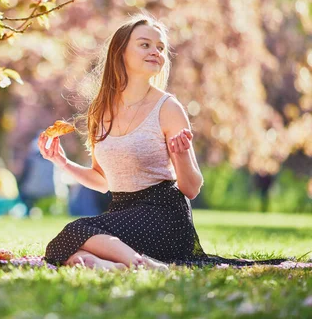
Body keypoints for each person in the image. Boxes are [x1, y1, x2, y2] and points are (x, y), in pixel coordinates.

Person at [40, 14, 285, 271]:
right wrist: (62, 162)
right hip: (123, 213)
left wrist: (180, 155)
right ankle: (112, 265)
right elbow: (103, 181)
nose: (155, 52)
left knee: (74, 231)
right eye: (145, 44)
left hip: (165, 215)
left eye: (160, 48)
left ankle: (139, 263)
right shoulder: (99, 112)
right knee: (62, 248)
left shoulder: (168, 108)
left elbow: (191, 188)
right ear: (120, 52)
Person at [17, 135, 57, 213]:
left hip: (31, 192)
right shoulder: (54, 159)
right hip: (51, 191)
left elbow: (24, 175)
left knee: (21, 195)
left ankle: (28, 212)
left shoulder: (30, 159)